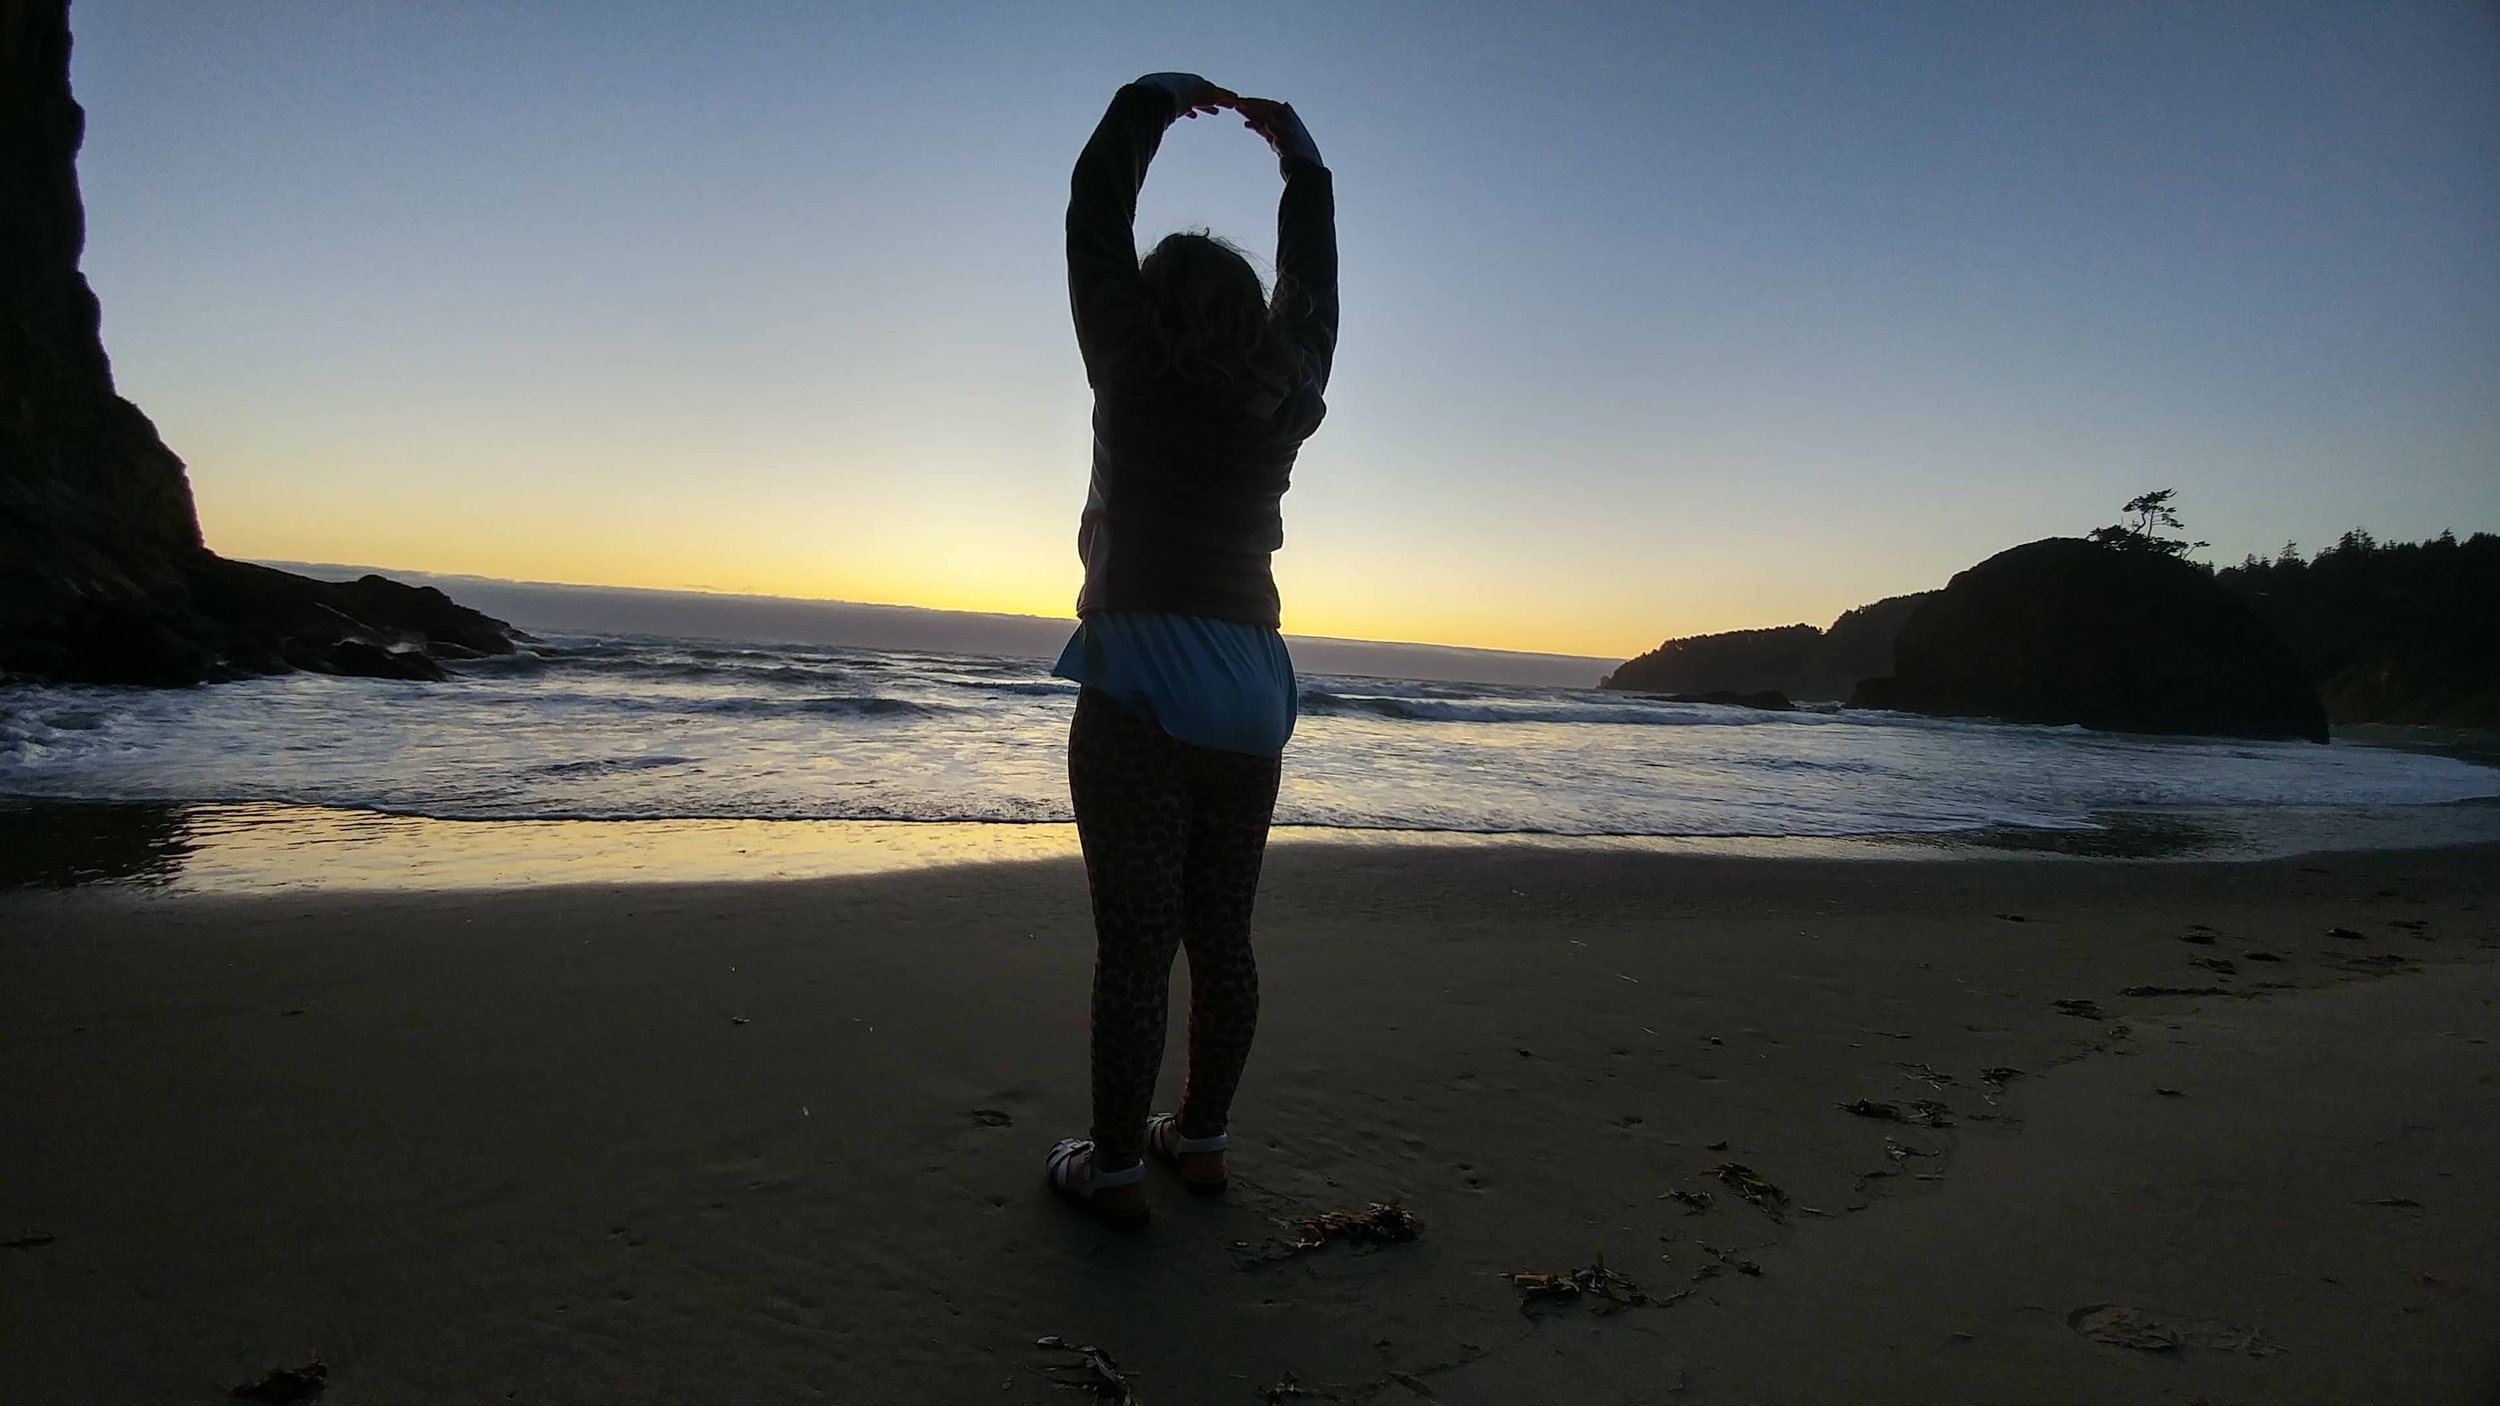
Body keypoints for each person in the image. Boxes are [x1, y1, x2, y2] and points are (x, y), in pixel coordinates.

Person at [1043, 71, 1338, 1227]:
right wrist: (1301, 166)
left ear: (1150, 304)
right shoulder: (1286, 388)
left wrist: (1147, 103)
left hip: (1141, 684)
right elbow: (1312, 290)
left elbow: (1090, 215)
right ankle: (1199, 1140)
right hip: (1251, 690)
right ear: (1252, 315)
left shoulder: (1128, 357)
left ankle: (1115, 1167)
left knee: (1134, 946)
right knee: (1222, 935)